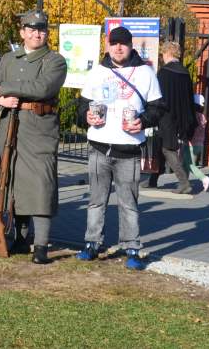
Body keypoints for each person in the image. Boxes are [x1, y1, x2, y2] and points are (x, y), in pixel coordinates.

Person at [76, 26, 165, 270]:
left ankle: (132, 248)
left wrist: (143, 121)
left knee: (128, 202)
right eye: (114, 43)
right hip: (99, 147)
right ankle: (92, 244)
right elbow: (81, 106)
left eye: (123, 43)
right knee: (96, 200)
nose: (118, 48)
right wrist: (87, 117)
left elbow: (159, 108)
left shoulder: (145, 72)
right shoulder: (98, 71)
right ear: (108, 45)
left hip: (129, 150)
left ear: (130, 45)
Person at [0, 11, 67, 265]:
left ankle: (40, 245)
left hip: (39, 129)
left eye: (41, 29)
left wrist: (6, 89)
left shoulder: (55, 60)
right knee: (11, 182)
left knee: (41, 184)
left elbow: (43, 88)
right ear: (22, 32)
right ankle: (19, 238)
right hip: (10, 126)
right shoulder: (9, 59)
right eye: (31, 29)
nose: (36, 33)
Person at [151, 41, 197, 194]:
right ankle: (153, 180)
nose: (162, 57)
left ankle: (183, 182)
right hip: (182, 116)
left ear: (167, 53)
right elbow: (189, 98)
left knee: (166, 148)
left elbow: (159, 96)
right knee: (160, 146)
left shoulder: (164, 72)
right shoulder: (184, 72)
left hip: (166, 115)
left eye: (163, 54)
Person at [182, 94, 209, 192]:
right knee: (186, 164)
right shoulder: (203, 116)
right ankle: (184, 182)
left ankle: (204, 178)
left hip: (191, 144)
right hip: (199, 145)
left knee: (190, 165)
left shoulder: (194, 116)